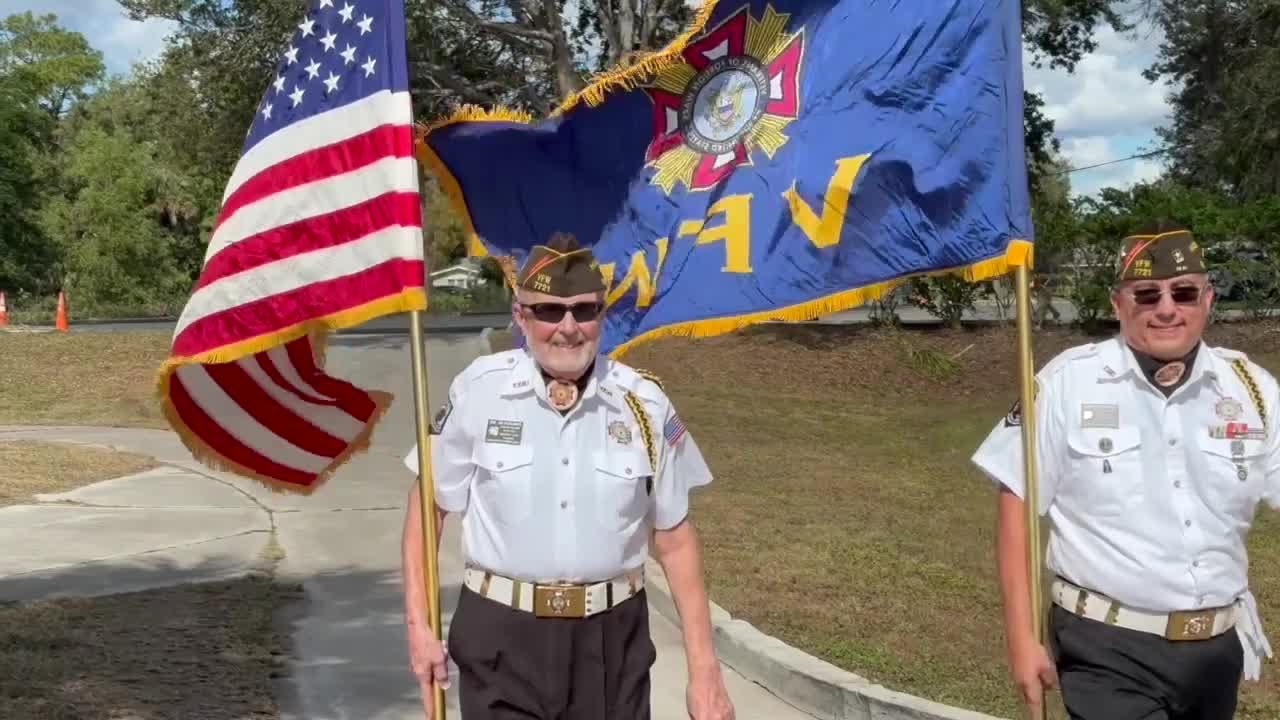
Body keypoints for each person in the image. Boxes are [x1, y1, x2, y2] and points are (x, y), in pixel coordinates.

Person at [400, 232, 736, 720]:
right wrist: (418, 625)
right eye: (549, 311)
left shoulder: (642, 404)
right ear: (521, 316)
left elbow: (675, 539)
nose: (568, 328)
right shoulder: (479, 391)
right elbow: (427, 504)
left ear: (602, 315)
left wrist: (705, 672)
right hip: (501, 638)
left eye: (584, 310)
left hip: (611, 643)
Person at [971, 222, 1279, 720]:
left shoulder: (1252, 388)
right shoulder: (1068, 382)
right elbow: (1017, 500)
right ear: (1118, 304)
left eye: (1183, 292)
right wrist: (1020, 639)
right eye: (1146, 294)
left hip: (1216, 649)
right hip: (1107, 648)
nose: (1166, 308)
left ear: (1208, 300)